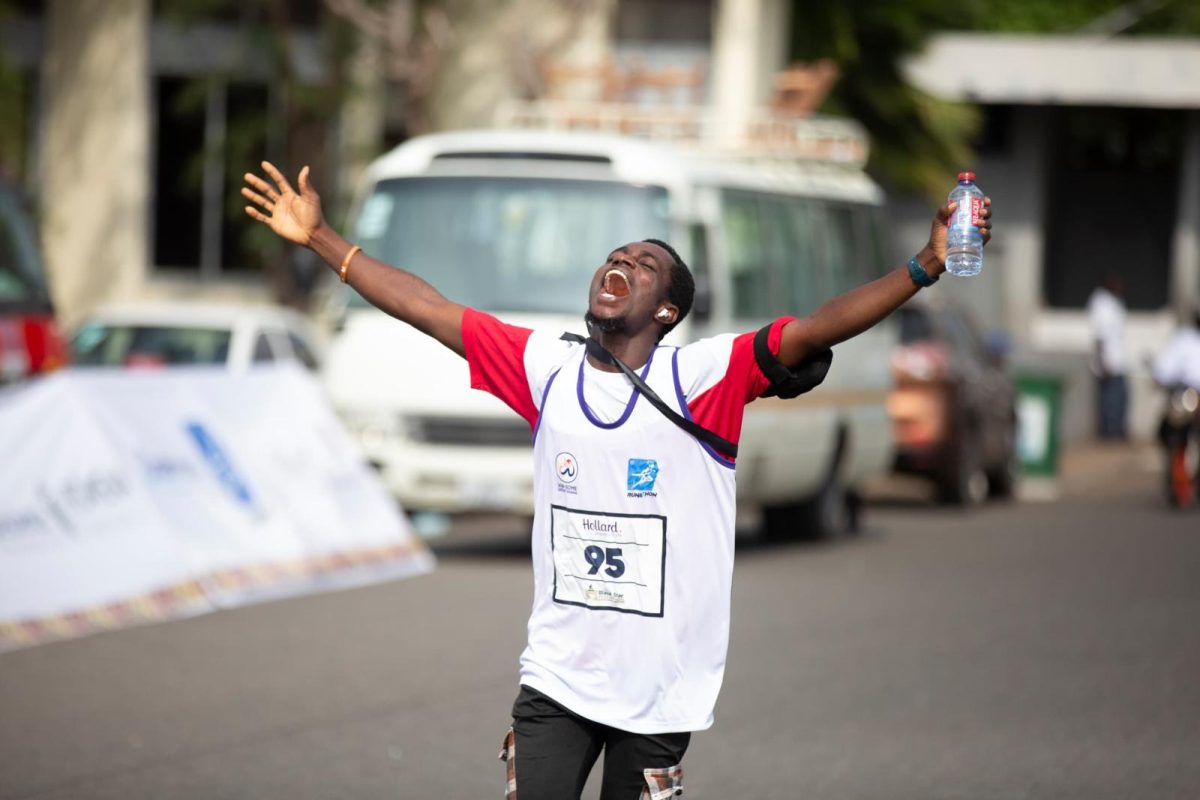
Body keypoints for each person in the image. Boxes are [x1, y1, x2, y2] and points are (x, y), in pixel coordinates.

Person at [242, 161, 993, 800]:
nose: (621, 263)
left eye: (643, 264)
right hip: (557, 678)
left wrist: (925, 265)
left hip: (664, 689)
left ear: (666, 309)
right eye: (616, 255)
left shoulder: (702, 377)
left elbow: (818, 328)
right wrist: (322, 237)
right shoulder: (545, 369)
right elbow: (429, 309)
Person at [1087, 273, 1129, 440]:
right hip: (1108, 361)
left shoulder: (1113, 303)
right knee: (1111, 400)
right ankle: (1109, 433)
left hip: (1117, 360)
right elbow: (1100, 337)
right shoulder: (1101, 304)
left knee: (1118, 398)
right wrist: (1104, 362)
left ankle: (1114, 431)